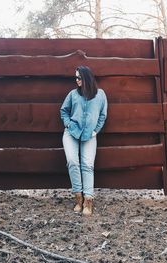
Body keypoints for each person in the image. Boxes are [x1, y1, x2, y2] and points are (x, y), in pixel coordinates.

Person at [60, 65, 108, 216]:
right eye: (75, 78)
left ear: (87, 78)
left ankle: (88, 200)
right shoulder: (73, 94)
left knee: (87, 165)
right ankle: (78, 197)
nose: (77, 80)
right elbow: (64, 111)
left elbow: (102, 115)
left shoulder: (100, 95)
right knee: (72, 162)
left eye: (79, 78)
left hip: (89, 135)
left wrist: (95, 130)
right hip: (71, 133)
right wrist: (68, 124)